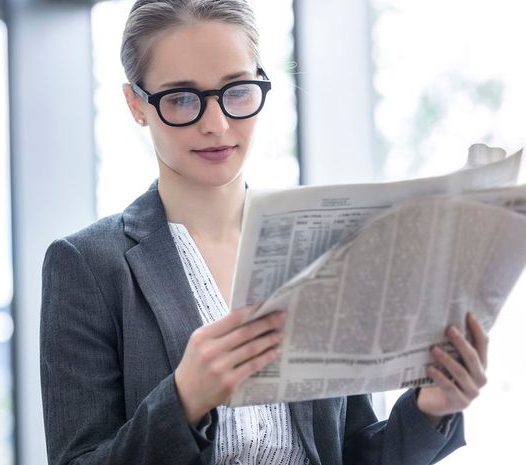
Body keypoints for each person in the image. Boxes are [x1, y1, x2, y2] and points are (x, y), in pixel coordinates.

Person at [39, 1, 489, 464]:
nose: (216, 125)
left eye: (236, 90)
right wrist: (184, 399)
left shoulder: (316, 250)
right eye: (180, 98)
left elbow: (348, 451)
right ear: (137, 104)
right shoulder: (87, 264)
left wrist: (431, 409)